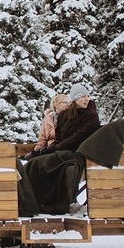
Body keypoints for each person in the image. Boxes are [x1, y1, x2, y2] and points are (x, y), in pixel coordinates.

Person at [24, 83, 101, 214]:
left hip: (76, 153)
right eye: (83, 96)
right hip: (62, 151)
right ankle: (33, 202)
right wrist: (52, 148)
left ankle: (46, 203)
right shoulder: (66, 115)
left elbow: (77, 137)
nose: (86, 99)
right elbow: (59, 135)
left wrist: (53, 149)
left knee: (39, 163)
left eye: (87, 96)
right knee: (33, 164)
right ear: (75, 99)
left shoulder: (91, 115)